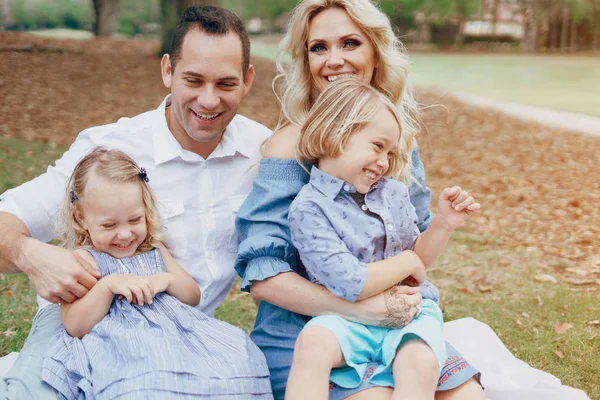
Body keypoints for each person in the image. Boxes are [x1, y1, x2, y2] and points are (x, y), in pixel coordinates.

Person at [0, 5, 271, 399]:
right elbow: (8, 218)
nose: (209, 101)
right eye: (193, 80)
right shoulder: (109, 149)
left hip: (178, 333)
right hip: (81, 329)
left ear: (247, 80)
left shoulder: (263, 152)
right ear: (167, 71)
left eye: (226, 84)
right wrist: (30, 254)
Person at [234, 1, 485, 399]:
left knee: (467, 396)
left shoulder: (395, 141)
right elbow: (264, 276)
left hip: (391, 325)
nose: (334, 60)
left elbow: (415, 246)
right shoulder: (290, 145)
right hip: (307, 329)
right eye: (319, 48)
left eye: (350, 43)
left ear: (375, 53)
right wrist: (359, 309)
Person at [285, 79, 481, 400]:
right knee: (313, 343)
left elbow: (418, 258)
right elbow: (352, 282)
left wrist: (443, 224)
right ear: (335, 132)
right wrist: (408, 262)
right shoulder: (309, 207)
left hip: (409, 314)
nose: (384, 162)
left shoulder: (393, 193)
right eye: (377, 147)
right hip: (346, 318)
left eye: (390, 152)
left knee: (419, 361)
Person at [40, 148, 271, 399]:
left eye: (134, 220)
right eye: (109, 225)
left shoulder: (154, 249)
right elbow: (75, 325)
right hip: (122, 349)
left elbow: (193, 296)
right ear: (81, 217)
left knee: (235, 359)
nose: (125, 234)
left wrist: (166, 280)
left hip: (178, 340)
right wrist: (107, 286)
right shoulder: (84, 261)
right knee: (144, 381)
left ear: (145, 208)